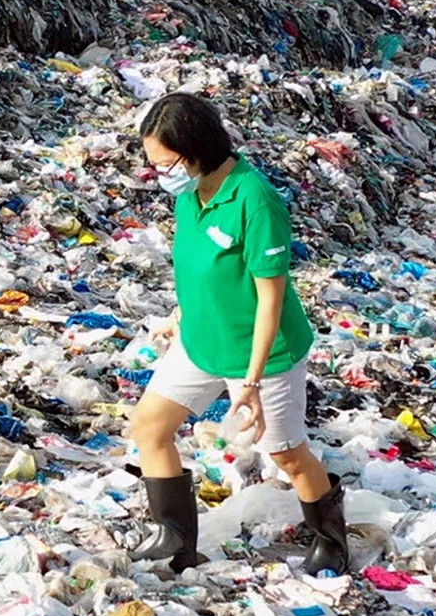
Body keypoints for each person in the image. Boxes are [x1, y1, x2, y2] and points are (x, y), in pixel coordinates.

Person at [127, 92, 347, 574]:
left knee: (287, 456)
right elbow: (200, 268)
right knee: (150, 426)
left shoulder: (255, 199)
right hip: (202, 341)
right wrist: (179, 314)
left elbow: (270, 299)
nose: (160, 173)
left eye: (167, 162)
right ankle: (175, 541)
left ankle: (331, 540)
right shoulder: (190, 196)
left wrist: (248, 384)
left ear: (197, 148)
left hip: (261, 353)